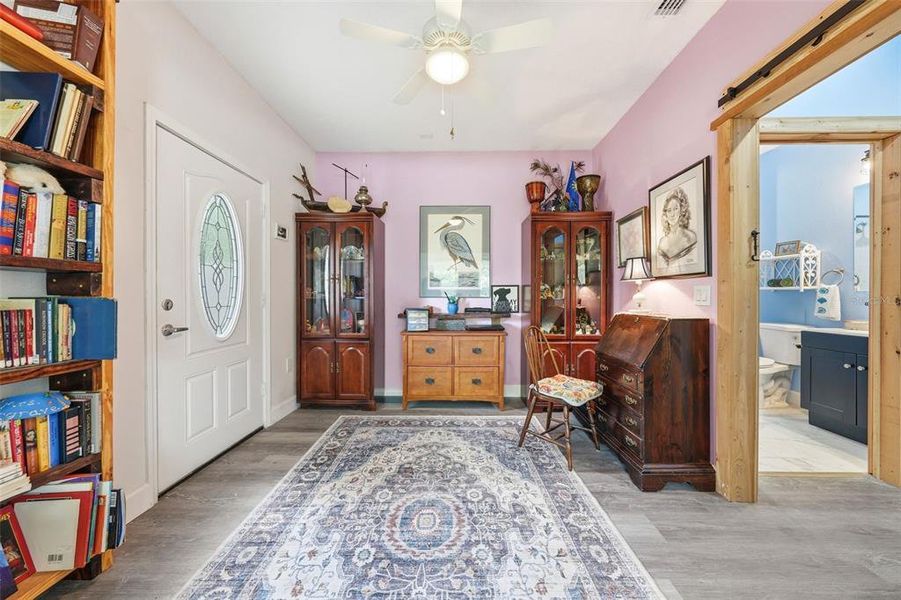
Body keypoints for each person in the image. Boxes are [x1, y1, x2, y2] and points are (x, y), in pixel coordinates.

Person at [657, 187, 697, 265]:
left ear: (681, 210)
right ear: (666, 214)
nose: (672, 214)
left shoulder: (690, 237)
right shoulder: (662, 242)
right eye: (669, 210)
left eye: (675, 209)